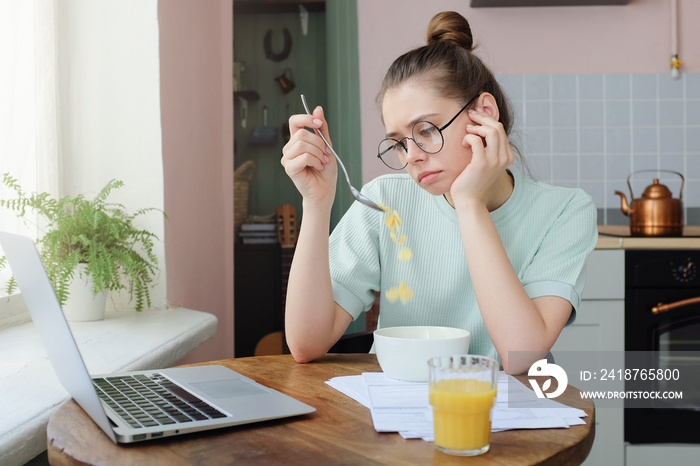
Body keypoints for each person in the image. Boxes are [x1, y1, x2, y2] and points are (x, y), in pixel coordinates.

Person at [280, 11, 597, 374]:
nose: (412, 156)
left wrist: (469, 203)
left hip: (496, 421)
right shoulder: (387, 200)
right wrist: (316, 204)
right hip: (391, 418)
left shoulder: (565, 211)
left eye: (427, 130)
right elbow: (305, 344)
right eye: (398, 143)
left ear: (484, 113)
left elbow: (519, 354)